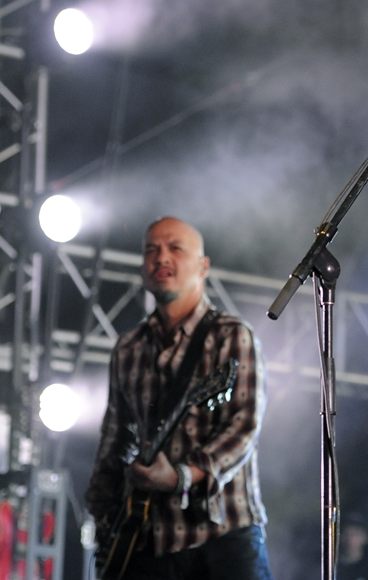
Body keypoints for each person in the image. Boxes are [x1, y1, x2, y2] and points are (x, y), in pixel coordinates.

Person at [85, 217, 273, 580]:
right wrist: (101, 512)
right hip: (145, 540)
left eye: (175, 248)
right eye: (151, 250)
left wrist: (181, 477)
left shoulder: (232, 336)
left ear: (203, 266)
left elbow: (243, 426)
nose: (160, 258)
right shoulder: (129, 347)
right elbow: (114, 439)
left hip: (222, 534)